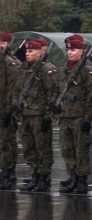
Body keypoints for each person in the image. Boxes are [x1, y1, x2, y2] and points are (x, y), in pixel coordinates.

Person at [51, 34, 92, 194]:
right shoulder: (63, 69)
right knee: (67, 149)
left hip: (79, 116)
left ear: (82, 52)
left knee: (80, 150)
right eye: (68, 50)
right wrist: (55, 104)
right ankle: (73, 176)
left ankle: (82, 180)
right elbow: (57, 90)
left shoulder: (87, 71)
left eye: (74, 50)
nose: (70, 53)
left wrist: (88, 118)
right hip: (65, 116)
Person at [14, 40, 56, 192]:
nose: (27, 54)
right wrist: (17, 104)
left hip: (39, 115)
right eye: (27, 51)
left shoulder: (47, 69)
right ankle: (35, 175)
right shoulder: (24, 69)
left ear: (40, 53)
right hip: (26, 114)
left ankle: (44, 178)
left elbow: (52, 94)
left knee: (42, 148)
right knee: (29, 147)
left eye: (31, 51)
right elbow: (18, 89)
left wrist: (47, 116)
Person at [0, 32, 20, 190]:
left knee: (6, 142)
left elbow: (13, 89)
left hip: (5, 110)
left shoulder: (9, 63)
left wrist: (8, 111)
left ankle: (9, 173)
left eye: (2, 43)